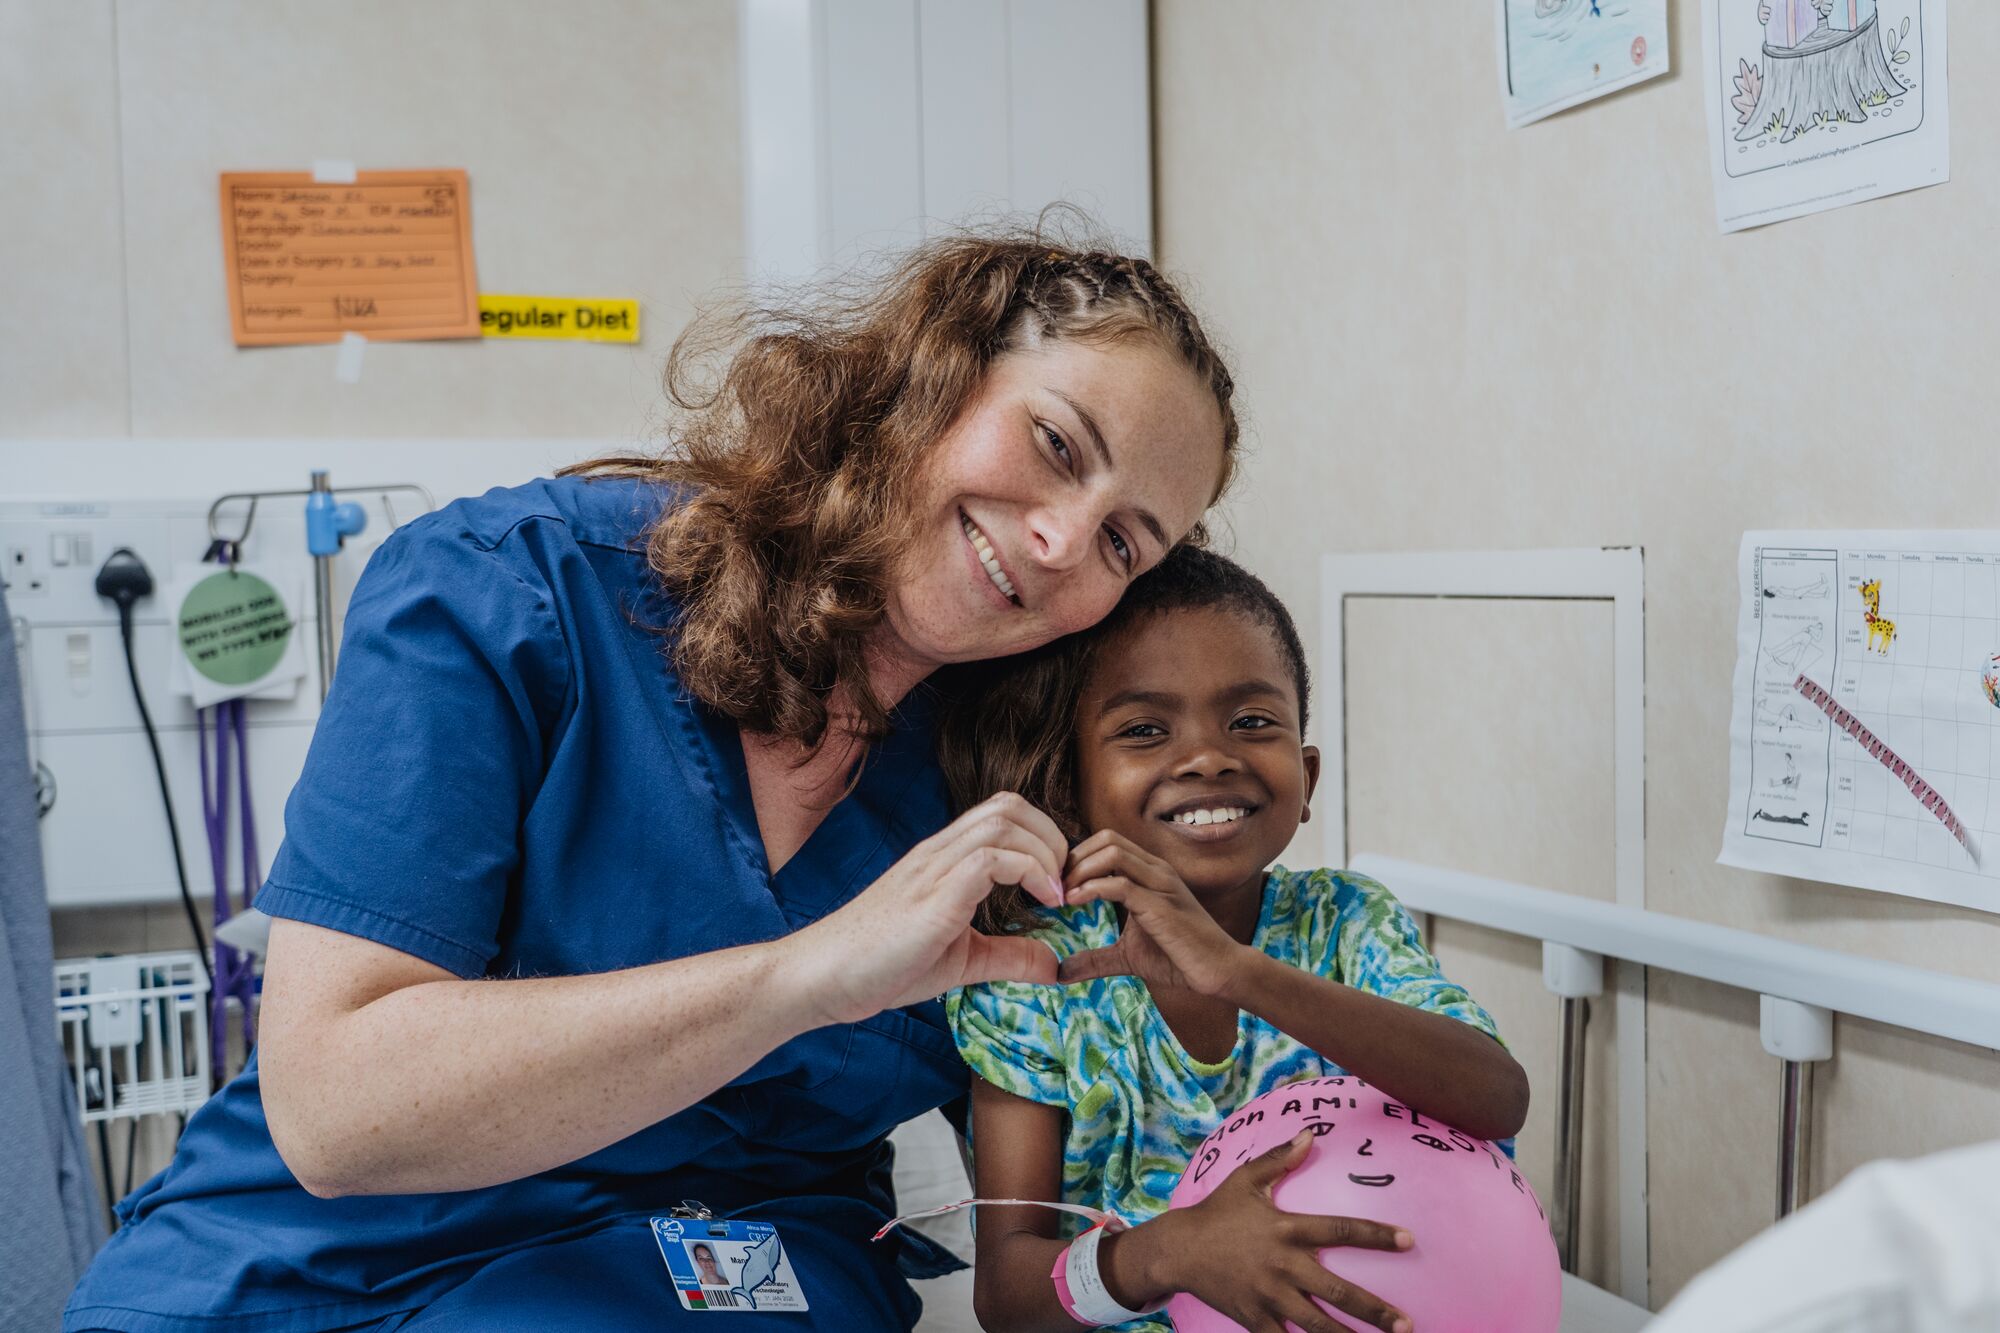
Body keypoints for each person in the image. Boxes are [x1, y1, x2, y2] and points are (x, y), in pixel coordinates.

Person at [62, 232, 1239, 1333]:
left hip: (726, 1272)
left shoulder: (1013, 778)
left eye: (1123, 543)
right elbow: (335, 1115)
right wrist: (802, 977)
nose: (1061, 543)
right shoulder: (517, 594)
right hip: (316, 1262)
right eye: (1054, 444)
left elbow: (1087, 1166)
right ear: (932, 375)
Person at [937, 547, 1529, 1333]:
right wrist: (1168, 1253)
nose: (1209, 757)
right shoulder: (1036, 975)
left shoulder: (1348, 924)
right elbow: (1009, 1300)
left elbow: (1497, 1096)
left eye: (1251, 721)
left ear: (1307, 778)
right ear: (1074, 786)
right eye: (1145, 729)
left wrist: (1239, 973)